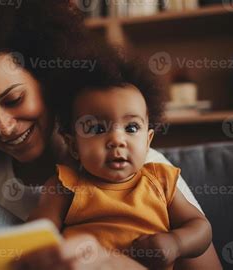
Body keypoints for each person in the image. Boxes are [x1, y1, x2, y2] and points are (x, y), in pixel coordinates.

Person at [0, 1, 222, 269]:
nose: (4, 126)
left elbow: (198, 242)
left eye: (14, 100)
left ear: (49, 79)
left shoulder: (135, 162)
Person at [27, 58, 212, 269]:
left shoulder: (161, 180)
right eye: (97, 129)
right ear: (73, 145)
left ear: (148, 140)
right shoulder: (65, 185)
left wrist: (176, 243)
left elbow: (200, 227)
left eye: (131, 128)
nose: (117, 140)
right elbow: (36, 233)